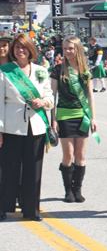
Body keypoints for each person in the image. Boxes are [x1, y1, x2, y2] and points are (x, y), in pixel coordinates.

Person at [0, 33, 54, 221]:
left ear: (30, 49)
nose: (20, 50)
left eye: (23, 47)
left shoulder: (40, 70)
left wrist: (44, 102)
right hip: (11, 127)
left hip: (36, 127)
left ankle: (31, 209)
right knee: (9, 169)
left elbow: (50, 97)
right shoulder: (5, 71)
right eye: (16, 47)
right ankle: (4, 207)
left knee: (34, 169)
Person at [51, 36, 98, 203]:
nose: (67, 51)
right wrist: (53, 120)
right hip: (64, 116)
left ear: (77, 49)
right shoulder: (57, 70)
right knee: (68, 154)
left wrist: (93, 118)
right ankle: (68, 190)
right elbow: (52, 97)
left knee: (80, 154)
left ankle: (78, 189)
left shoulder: (86, 71)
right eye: (65, 49)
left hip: (82, 116)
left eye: (70, 48)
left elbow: (90, 96)